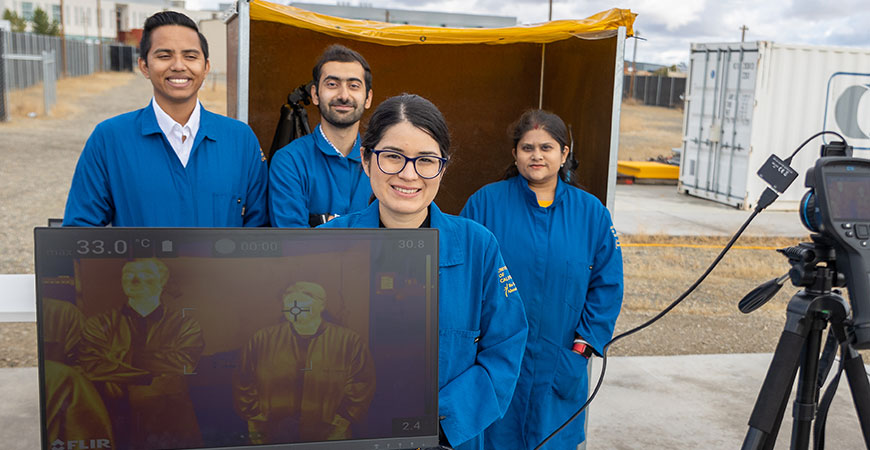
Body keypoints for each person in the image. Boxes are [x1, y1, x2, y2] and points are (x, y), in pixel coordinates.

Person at [320, 94, 528, 450]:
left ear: (443, 168)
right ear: (366, 160)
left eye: (426, 160)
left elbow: (505, 348)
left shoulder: (478, 247)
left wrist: (435, 427)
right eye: (392, 157)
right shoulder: (325, 246)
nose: (408, 173)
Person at [460, 110, 624, 450]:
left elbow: (607, 285)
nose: (536, 155)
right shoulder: (485, 203)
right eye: (527, 147)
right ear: (514, 154)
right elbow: (462, 276)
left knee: (552, 440)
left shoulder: (591, 213)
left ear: (564, 154)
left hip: (559, 361)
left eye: (546, 147)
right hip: (494, 361)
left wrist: (583, 346)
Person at [63, 11, 268, 227]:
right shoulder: (109, 138)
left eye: (190, 56)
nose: (179, 66)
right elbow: (80, 232)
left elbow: (260, 230)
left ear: (205, 67)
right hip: (138, 263)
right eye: (164, 56)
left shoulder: (240, 139)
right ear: (144, 66)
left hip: (221, 263)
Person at [79, 258, 205, 449]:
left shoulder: (185, 324)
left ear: (163, 281)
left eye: (146, 274)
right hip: (114, 414)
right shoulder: (98, 324)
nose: (135, 279)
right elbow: (92, 366)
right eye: (128, 274)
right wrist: (151, 373)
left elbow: (184, 363)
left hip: (170, 418)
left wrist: (117, 362)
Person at [233, 281, 376, 444]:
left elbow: (362, 383)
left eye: (302, 304)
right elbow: (243, 380)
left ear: (322, 306)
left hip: (329, 431)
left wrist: (344, 419)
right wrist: (255, 416)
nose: (295, 309)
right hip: (270, 430)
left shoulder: (349, 341)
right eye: (289, 304)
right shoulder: (262, 339)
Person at [269, 44, 374, 227]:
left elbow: (394, 237)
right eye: (332, 84)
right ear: (315, 94)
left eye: (354, 85)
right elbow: (293, 245)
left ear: (368, 98)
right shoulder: (289, 162)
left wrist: (321, 223)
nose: (343, 95)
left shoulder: (382, 162)